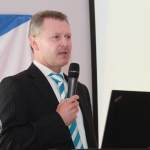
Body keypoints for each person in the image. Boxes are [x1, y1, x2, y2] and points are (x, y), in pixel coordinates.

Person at [0, 10, 97, 150]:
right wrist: (58, 120)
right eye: (56, 37)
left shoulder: (80, 88)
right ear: (34, 43)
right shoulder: (16, 85)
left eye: (68, 37)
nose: (65, 43)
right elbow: (9, 143)